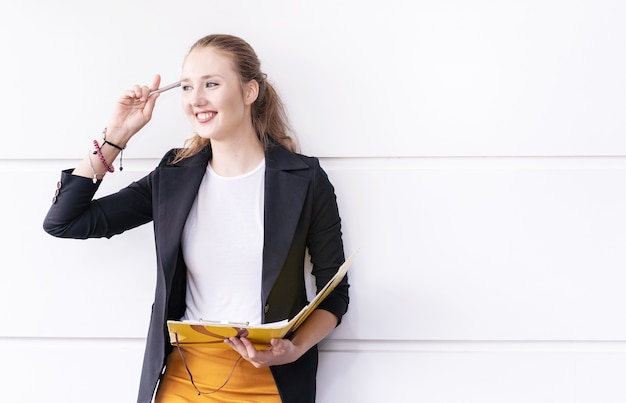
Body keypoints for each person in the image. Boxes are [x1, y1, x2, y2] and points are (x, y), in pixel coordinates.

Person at [43, 33, 349, 403]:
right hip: (184, 382)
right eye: (187, 87)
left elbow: (335, 294)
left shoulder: (303, 180)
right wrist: (117, 135)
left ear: (249, 92)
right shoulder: (173, 176)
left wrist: (295, 348)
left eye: (212, 84)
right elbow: (64, 221)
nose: (196, 99)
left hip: (270, 384)